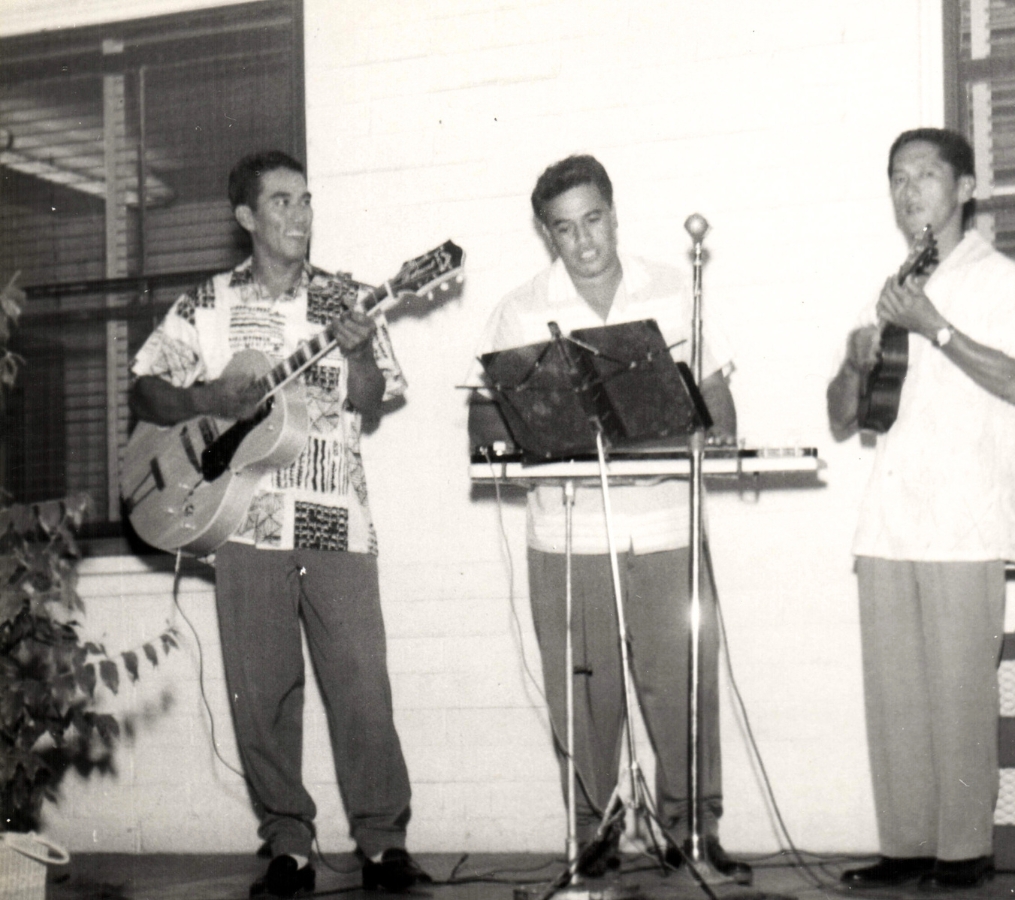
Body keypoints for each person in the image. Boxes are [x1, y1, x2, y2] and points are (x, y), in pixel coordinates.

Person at [129, 150, 431, 898]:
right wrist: (209, 398)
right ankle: (287, 848)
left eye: (306, 201)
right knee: (261, 693)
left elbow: (374, 397)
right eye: (282, 203)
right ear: (246, 219)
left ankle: (382, 845)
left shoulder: (348, 299)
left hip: (336, 521)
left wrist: (357, 352)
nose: (300, 215)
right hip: (240, 521)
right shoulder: (206, 303)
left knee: (362, 684)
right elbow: (144, 390)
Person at [469, 154, 750, 883]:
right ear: (547, 235)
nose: (585, 240)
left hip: (665, 530)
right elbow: (486, 425)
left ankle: (694, 830)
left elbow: (721, 410)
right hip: (569, 537)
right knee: (583, 693)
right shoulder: (519, 308)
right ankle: (593, 832)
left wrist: (696, 430)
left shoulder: (670, 288)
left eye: (594, 219)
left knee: (685, 684)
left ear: (615, 213)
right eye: (565, 228)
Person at [826, 128, 1015, 891]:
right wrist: (855, 365)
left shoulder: (1001, 279)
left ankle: (963, 852)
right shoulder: (890, 288)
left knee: (959, 699)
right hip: (891, 518)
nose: (909, 189)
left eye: (925, 174)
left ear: (967, 187)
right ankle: (908, 846)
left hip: (965, 517)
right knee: (897, 703)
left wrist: (934, 329)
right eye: (896, 177)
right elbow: (844, 418)